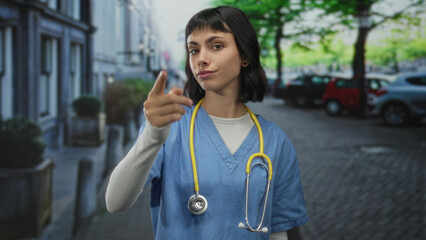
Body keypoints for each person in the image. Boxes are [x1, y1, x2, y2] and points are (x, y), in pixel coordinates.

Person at [105, 6, 308, 240]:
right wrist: (151, 136)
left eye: (216, 46)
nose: (201, 59)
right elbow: (114, 203)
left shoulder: (275, 141)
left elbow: (278, 230)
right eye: (193, 50)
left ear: (245, 56)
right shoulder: (170, 126)